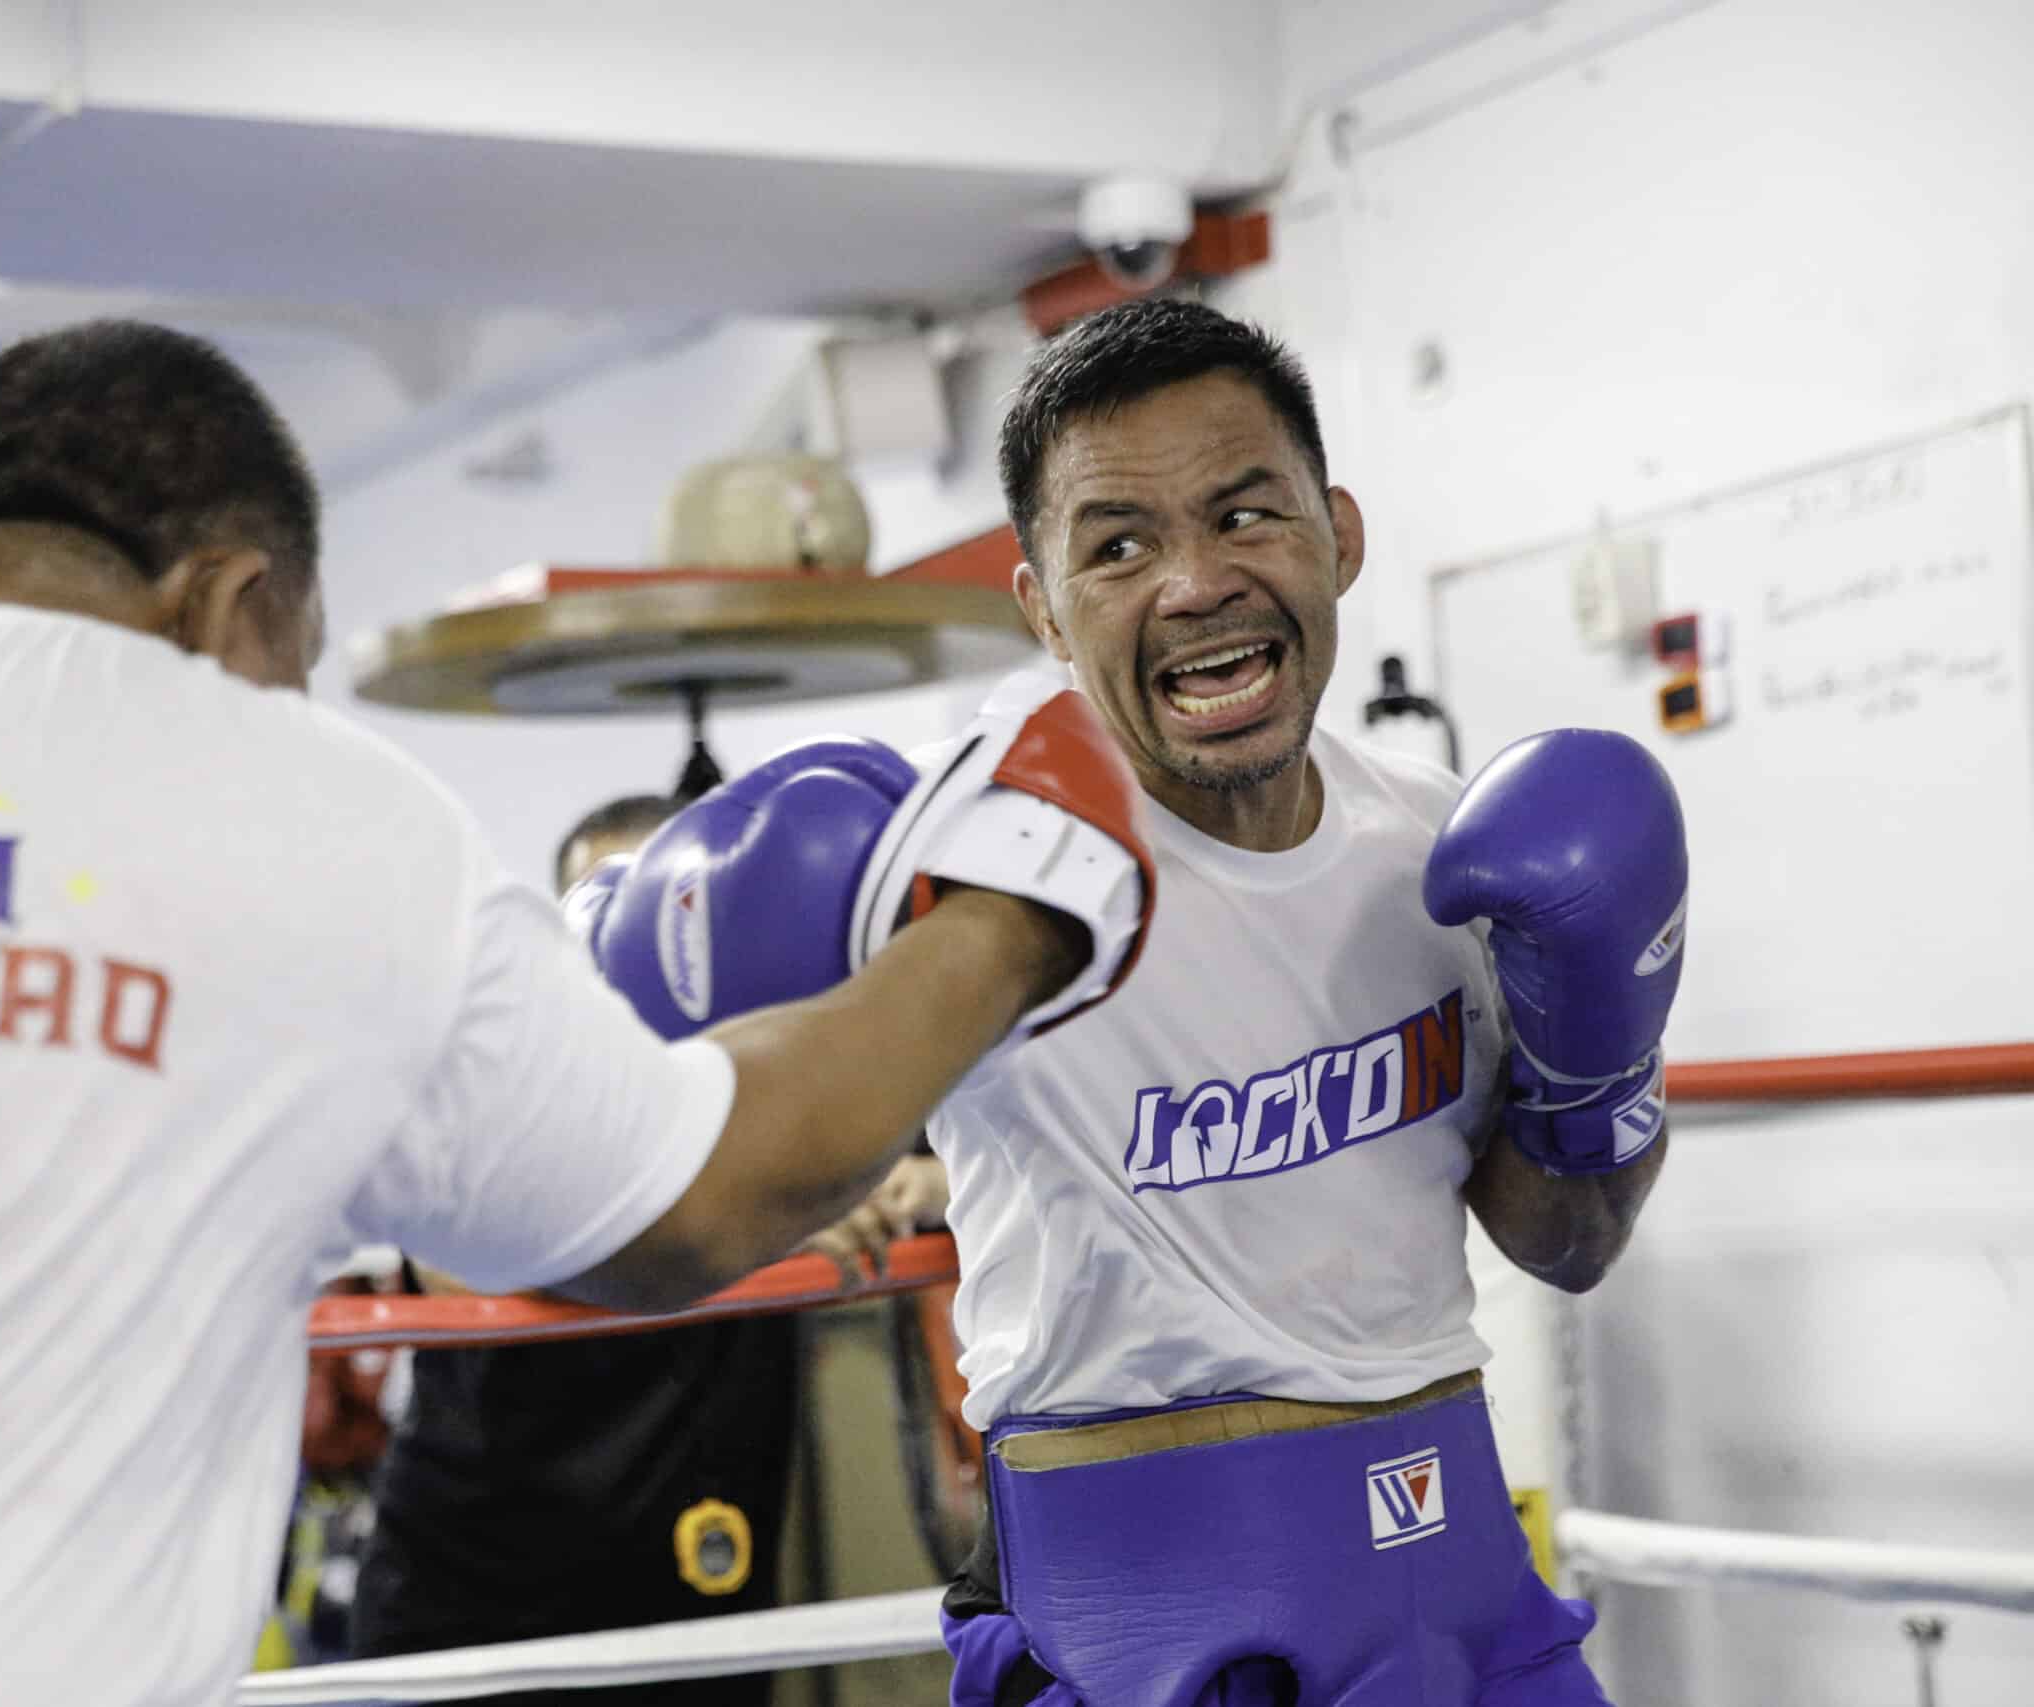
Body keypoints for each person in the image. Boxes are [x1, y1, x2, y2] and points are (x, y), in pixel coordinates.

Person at [0, 320, 1154, 1707]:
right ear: (230, 601)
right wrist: (1020, 900)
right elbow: (695, 1199)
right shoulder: (282, 803)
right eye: (299, 650)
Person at [579, 299, 1686, 1706]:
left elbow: (1567, 1240)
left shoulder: (1440, 854)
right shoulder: (975, 870)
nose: (1196, 582)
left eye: (1245, 514)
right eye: (1119, 545)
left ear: (1338, 533)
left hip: (1452, 1584)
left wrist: (1606, 1058)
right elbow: (686, 1190)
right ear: (1042, 605)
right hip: (1132, 1620)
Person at [355, 792, 941, 1705]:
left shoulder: (778, 1094)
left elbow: (992, 1146)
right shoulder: (501, 1083)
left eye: (674, 900)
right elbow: (459, 1255)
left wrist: (928, 1186)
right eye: (609, 901)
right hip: (474, 1609)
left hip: (694, 1604)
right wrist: (756, 1216)